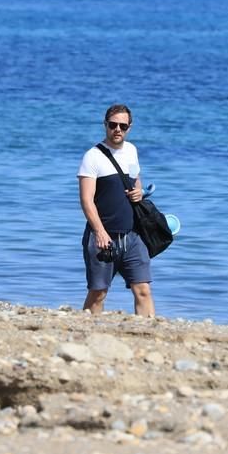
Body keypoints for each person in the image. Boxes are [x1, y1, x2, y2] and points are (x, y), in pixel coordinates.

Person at [77, 104, 155, 317]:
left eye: (123, 125)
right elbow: (86, 199)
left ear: (129, 127)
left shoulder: (131, 150)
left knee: (143, 291)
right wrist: (100, 232)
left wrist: (138, 191)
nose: (117, 129)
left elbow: (136, 179)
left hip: (132, 235)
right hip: (102, 236)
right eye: (113, 125)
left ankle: (147, 334)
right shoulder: (92, 157)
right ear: (105, 125)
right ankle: (86, 332)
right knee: (99, 293)